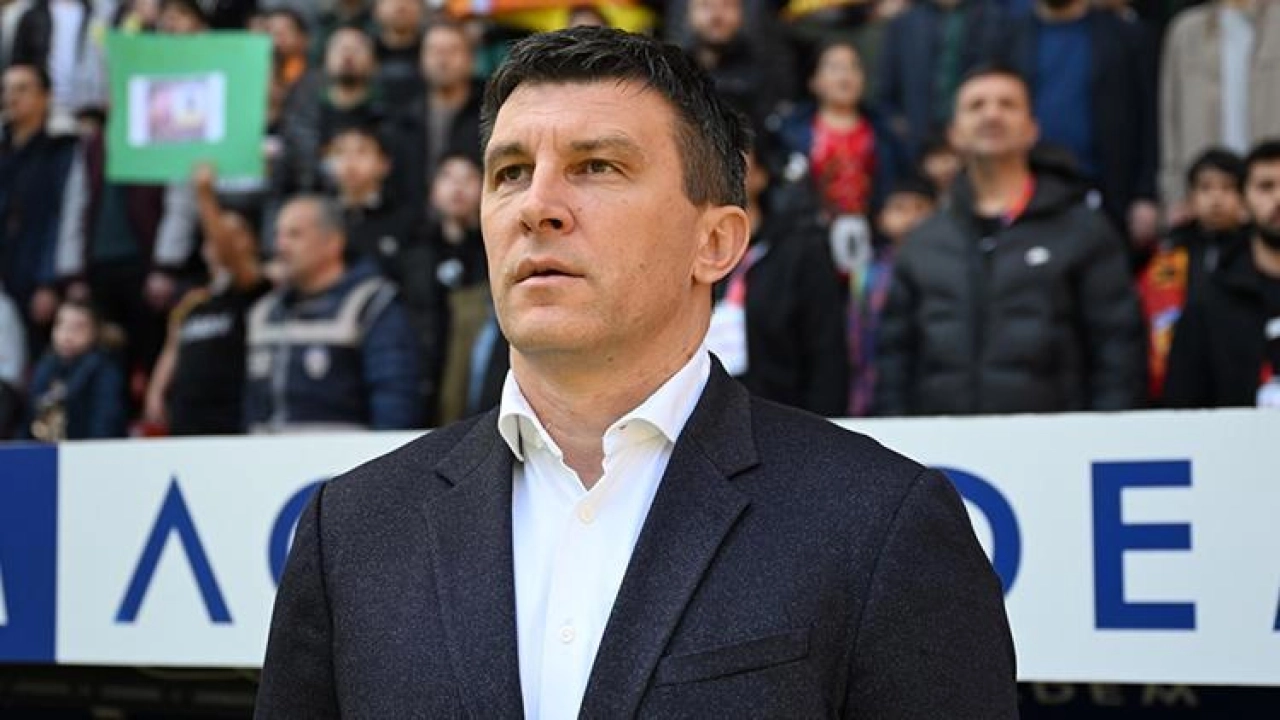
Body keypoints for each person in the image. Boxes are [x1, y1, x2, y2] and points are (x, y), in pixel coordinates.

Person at [257, 26, 1016, 719]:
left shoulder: (880, 524)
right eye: (510, 172)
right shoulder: (349, 531)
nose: (537, 207)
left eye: (597, 166)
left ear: (714, 243)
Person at [875, 63, 1145, 415]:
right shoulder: (923, 242)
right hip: (943, 445)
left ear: (1032, 129)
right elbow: (894, 362)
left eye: (1007, 104)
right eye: (976, 105)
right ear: (954, 133)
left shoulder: (1084, 230)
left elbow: (1119, 351)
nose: (992, 114)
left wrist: (1106, 432)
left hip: (1062, 442)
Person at [244, 194, 421, 432]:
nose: (281, 246)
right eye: (279, 235)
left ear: (333, 243)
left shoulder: (372, 306)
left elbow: (395, 403)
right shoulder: (263, 312)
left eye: (295, 235)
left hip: (348, 456)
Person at [706, 139, 849, 415]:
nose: (721, 168)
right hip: (702, 418)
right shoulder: (685, 250)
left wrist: (823, 427)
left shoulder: (798, 251)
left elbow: (826, 352)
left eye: (736, 159)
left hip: (783, 415)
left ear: (761, 175)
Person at [1002, 0, 1159, 251]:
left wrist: (1145, 193)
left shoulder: (1126, 36)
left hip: (1107, 194)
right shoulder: (1008, 37)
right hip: (1026, 192)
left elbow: (1149, 117)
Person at [144, 165, 270, 436]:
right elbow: (172, 348)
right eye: (215, 233)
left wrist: (204, 194)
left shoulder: (253, 288)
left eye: (232, 234)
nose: (220, 239)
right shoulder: (192, 301)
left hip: (232, 421)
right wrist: (155, 391)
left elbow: (230, 257)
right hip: (186, 419)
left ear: (251, 242)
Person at [1165, 140, 1280, 408]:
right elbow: (1183, 407)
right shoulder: (1210, 301)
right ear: (1244, 200)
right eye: (1266, 187)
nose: (1278, 198)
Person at [1138, 148, 1248, 401]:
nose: (1216, 199)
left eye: (1227, 188)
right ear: (1190, 199)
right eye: (1205, 188)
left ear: (1244, 198)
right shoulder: (1168, 256)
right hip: (1179, 378)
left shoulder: (1257, 253)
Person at [1158, 0, 1280, 222]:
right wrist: (1175, 195)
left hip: (1270, 198)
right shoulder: (1186, 32)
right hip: (1205, 200)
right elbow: (1170, 122)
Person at [0, 63, 76, 348]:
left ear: (46, 96)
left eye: (22, 89)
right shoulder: (4, 149)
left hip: (37, 273)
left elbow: (61, 217)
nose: (11, 97)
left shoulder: (62, 150)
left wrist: (48, 281)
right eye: (6, 90)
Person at [876, 0, 1009, 161]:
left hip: (976, 147)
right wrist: (905, 135)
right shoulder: (904, 23)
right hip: (914, 150)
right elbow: (886, 96)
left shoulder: (995, 19)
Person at [849, 173, 937, 416]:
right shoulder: (866, 273)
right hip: (873, 383)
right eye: (899, 208)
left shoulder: (943, 268)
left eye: (920, 208)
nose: (911, 219)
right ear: (881, 218)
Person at [23, 298, 125, 440]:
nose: (67, 334)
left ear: (95, 332)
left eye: (78, 327)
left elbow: (105, 423)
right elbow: (29, 420)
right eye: (61, 325)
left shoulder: (104, 370)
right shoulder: (45, 366)